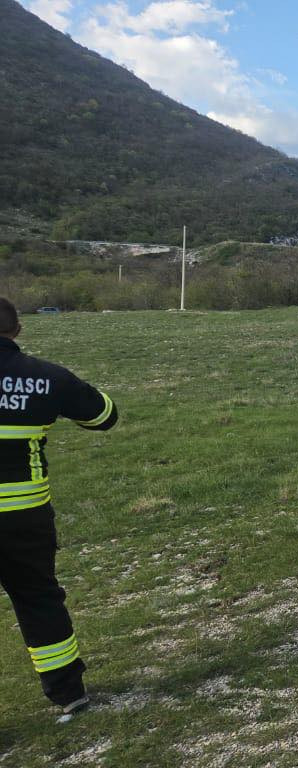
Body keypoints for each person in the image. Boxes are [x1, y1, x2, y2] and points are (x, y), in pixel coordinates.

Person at [0, 297, 118, 720]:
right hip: (24, 516)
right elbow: (103, 415)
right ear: (18, 330)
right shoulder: (45, 376)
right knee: (38, 600)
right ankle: (68, 694)